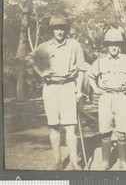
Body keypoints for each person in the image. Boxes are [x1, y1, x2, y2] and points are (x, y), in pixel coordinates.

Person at [26, 14, 86, 170]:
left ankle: (74, 162)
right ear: (51, 30)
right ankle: (58, 161)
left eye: (62, 28)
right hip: (51, 88)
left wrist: (78, 90)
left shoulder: (74, 44)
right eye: (55, 28)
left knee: (70, 126)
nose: (59, 31)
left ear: (66, 29)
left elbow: (81, 68)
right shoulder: (45, 46)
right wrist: (42, 73)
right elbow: (29, 59)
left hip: (68, 87)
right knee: (53, 126)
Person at [88, 28, 126, 170]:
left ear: (120, 45)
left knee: (121, 132)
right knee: (106, 131)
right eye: (111, 44)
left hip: (122, 97)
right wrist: (96, 89)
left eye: (117, 44)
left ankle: (122, 161)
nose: (114, 47)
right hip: (106, 98)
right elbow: (90, 75)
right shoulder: (100, 61)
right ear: (107, 45)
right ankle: (105, 162)